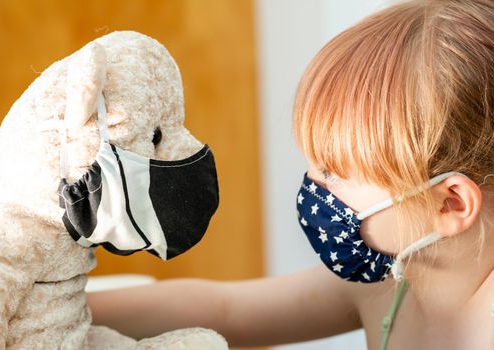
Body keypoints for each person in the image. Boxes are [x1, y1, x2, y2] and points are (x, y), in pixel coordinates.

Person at [86, 0, 494, 348]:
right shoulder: (391, 280)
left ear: (450, 202)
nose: (312, 186)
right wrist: (57, 312)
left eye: (332, 172)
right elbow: (224, 309)